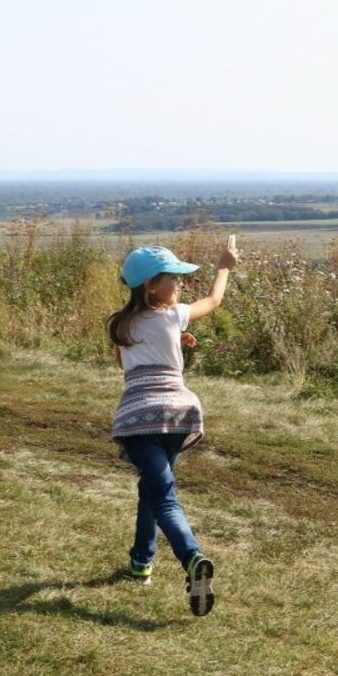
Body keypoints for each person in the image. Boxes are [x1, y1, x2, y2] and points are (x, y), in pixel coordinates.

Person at [107, 239, 238, 616]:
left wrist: (167, 341)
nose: (180, 284)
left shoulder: (120, 324)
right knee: (154, 488)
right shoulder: (173, 316)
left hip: (140, 418)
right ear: (151, 286)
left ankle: (192, 558)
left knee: (161, 493)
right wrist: (224, 267)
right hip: (179, 414)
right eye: (173, 278)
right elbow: (213, 300)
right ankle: (141, 563)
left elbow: (125, 361)